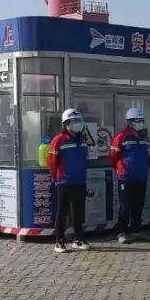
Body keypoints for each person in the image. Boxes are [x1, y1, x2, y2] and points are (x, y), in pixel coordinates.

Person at [47, 108, 91, 254]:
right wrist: (55, 178)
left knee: (78, 212)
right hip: (64, 181)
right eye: (75, 121)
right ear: (67, 124)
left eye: (79, 121)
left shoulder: (82, 139)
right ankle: (59, 241)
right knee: (62, 211)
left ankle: (78, 239)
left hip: (79, 181)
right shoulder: (58, 140)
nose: (78, 124)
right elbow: (52, 162)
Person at [109, 107, 150, 244]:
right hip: (125, 177)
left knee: (138, 205)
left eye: (141, 120)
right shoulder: (122, 136)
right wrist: (120, 169)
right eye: (138, 121)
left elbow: (147, 153)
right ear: (130, 122)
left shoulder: (144, 137)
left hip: (141, 176)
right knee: (125, 206)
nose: (141, 123)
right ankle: (122, 232)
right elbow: (113, 156)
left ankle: (136, 230)